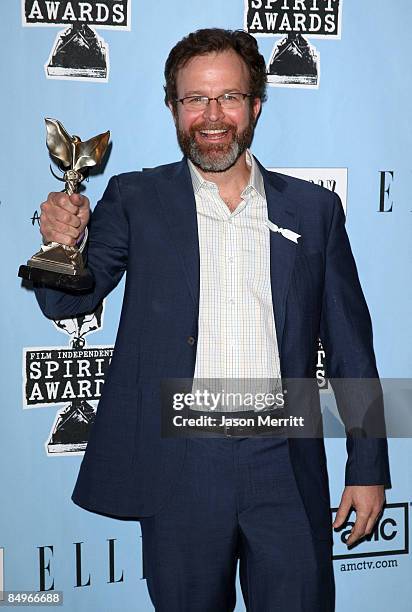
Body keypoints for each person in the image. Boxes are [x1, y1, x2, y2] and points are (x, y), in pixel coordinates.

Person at [34, 28, 390, 612]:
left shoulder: (315, 210)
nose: (211, 116)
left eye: (228, 97)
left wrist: (368, 465)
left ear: (255, 104)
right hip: (179, 469)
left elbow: (352, 348)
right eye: (194, 99)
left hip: (285, 465)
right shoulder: (135, 198)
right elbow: (67, 303)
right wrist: (59, 245)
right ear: (173, 108)